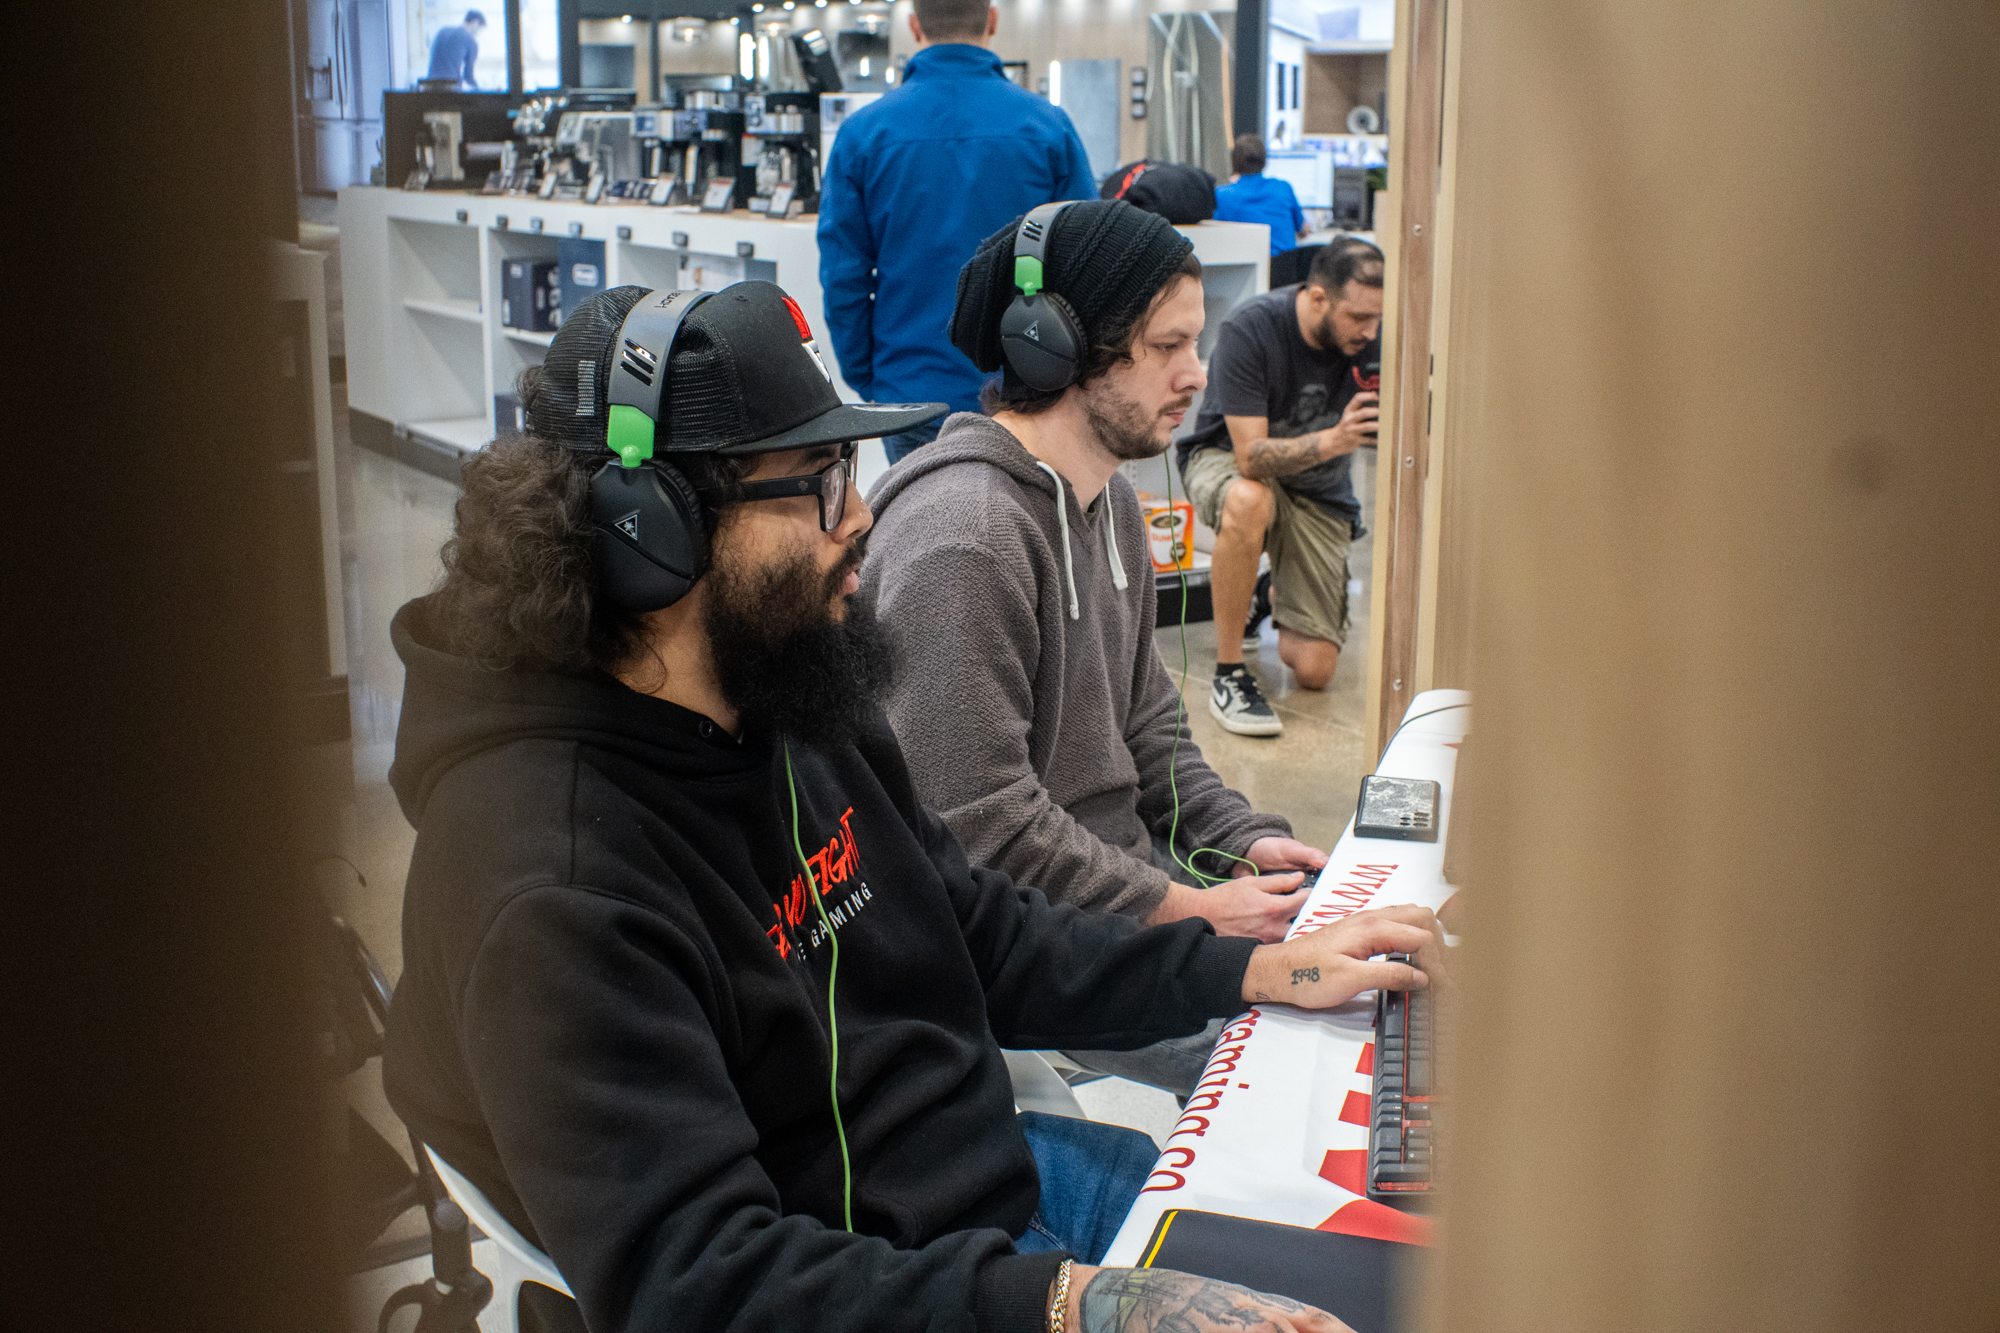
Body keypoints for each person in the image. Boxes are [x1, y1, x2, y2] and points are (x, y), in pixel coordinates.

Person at [381, 278, 1445, 1333]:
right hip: (867, 1279)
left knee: (1397, 1269)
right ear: (649, 533)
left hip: (985, 1183)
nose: (860, 518)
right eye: (815, 482)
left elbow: (973, 926)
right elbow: (701, 1281)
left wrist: (1254, 966)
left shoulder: (789, 691)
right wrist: (1079, 1302)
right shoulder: (548, 883)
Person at [862, 200, 1332, 1098]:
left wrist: (1243, 844)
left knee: (1344, 994)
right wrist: (1190, 915)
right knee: (1296, 1063)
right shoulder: (966, 540)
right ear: (1055, 347)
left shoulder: (1109, 503)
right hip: (1033, 945)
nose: (1198, 376)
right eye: (1169, 347)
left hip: (1122, 900)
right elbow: (982, 831)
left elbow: (1151, 727)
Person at [817, 0, 1096, 463]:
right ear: (992, 19)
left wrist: (870, 376)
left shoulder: (862, 134)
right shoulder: (1048, 127)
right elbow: (1085, 264)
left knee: (919, 528)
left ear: (914, 27)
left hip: (910, 386)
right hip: (1027, 381)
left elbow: (843, 277)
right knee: (1023, 529)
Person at [1176, 238, 1384, 736]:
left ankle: (1263, 591)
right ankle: (1230, 673)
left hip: (1320, 490)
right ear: (1317, 298)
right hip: (1228, 460)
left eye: (1377, 318)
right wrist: (1336, 440)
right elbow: (1251, 458)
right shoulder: (1252, 328)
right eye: (1358, 318)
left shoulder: (1376, 336)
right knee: (1251, 501)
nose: (1370, 332)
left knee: (1313, 670)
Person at [1214, 134, 1308, 257]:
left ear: (1233, 163)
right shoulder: (1283, 188)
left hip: (1246, 271)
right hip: (1285, 272)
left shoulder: (1222, 195)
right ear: (1264, 162)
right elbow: (1303, 231)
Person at [425, 10, 485, 90]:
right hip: (450, 90)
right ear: (475, 23)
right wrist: (480, 90)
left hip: (430, 86)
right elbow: (468, 76)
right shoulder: (471, 41)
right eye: (479, 29)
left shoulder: (442, 31)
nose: (477, 34)